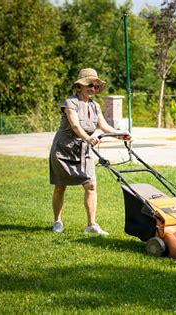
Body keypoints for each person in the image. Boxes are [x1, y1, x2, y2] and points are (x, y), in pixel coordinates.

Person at [49, 68, 130, 235]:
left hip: (83, 150)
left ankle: (91, 225)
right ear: (80, 86)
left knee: (91, 185)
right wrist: (87, 138)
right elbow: (75, 125)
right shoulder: (70, 103)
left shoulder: (95, 106)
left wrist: (120, 136)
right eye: (89, 85)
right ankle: (57, 221)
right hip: (63, 149)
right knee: (60, 186)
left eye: (95, 86)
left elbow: (104, 126)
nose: (93, 88)